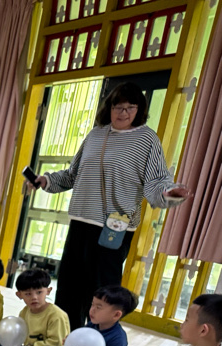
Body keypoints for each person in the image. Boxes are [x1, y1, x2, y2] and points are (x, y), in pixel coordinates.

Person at [29, 82, 189, 331]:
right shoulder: (96, 135)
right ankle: (65, 338)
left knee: (103, 292)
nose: (123, 113)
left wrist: (169, 193)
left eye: (130, 107)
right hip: (81, 221)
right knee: (70, 285)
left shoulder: (146, 139)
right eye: (118, 106)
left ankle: (97, 343)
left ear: (139, 110)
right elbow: (73, 174)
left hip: (114, 227)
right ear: (109, 107)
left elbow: (156, 181)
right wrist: (46, 180)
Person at [0, 268, 69, 346]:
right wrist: (3, 339)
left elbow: (55, 345)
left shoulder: (56, 315)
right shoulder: (24, 312)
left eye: (39, 292)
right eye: (28, 294)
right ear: (19, 295)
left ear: (48, 291)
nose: (34, 297)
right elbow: (20, 336)